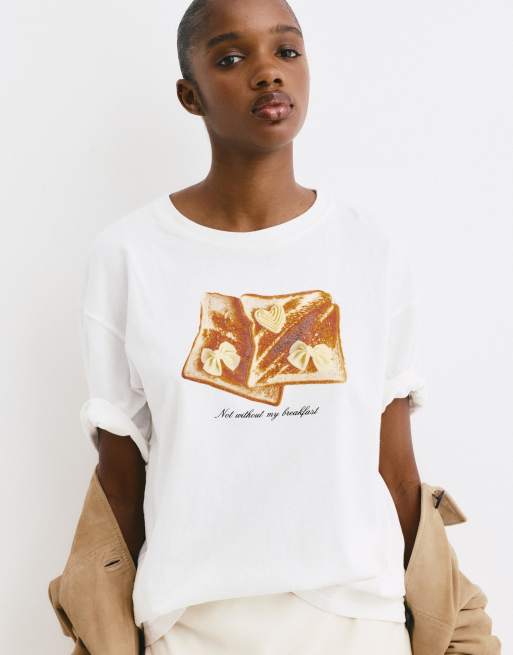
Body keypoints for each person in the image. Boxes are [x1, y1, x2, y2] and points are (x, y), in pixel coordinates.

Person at [79, 0, 425, 652]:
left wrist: (435, 613)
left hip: (357, 621)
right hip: (190, 624)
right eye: (232, 58)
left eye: (286, 51)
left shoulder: (368, 248)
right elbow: (120, 484)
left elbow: (397, 469)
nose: (268, 73)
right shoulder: (129, 255)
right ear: (190, 95)